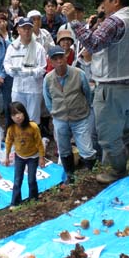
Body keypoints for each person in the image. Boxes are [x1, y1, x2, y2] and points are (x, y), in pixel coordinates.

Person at [63, 0, 129, 184]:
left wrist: (73, 20)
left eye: (104, 0)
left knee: (108, 135)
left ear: (115, 1)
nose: (102, 5)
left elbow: (93, 43)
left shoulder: (115, 21)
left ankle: (118, 171)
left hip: (112, 87)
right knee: (128, 126)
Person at [43, 46, 96, 184]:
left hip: (80, 117)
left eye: (61, 57)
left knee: (87, 150)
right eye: (55, 59)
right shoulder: (48, 79)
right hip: (60, 118)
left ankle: (92, 176)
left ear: (66, 58)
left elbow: (88, 93)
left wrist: (86, 108)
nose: (59, 61)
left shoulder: (79, 74)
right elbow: (47, 99)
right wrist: (54, 113)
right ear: (51, 62)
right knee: (64, 149)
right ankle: (70, 176)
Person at [3, 18, 46, 125]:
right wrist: (11, 71)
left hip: (34, 89)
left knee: (33, 119)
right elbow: (6, 63)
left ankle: (33, 140)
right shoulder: (12, 47)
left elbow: (43, 68)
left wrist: (31, 72)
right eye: (24, 28)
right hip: (17, 88)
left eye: (29, 28)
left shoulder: (38, 48)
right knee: (17, 116)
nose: (26, 31)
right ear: (18, 30)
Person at [3, 102, 45, 208]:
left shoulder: (33, 127)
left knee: (31, 180)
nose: (17, 117)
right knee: (17, 180)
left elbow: (39, 143)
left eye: (19, 113)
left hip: (33, 157)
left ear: (24, 113)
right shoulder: (11, 129)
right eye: (14, 115)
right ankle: (15, 202)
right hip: (19, 156)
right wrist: (6, 157)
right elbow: (8, 142)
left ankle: (33, 199)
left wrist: (41, 157)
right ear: (10, 117)